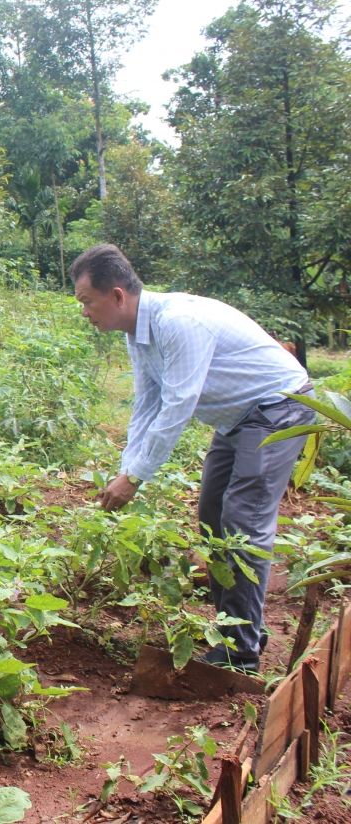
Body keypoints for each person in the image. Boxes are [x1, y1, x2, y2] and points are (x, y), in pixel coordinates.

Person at [71, 244, 315, 673]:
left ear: (117, 296)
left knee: (243, 522)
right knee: (211, 516)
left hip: (279, 408)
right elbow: (147, 404)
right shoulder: (138, 334)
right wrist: (127, 469)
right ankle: (235, 631)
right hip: (237, 419)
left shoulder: (178, 322)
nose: (85, 312)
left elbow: (179, 404)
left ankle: (240, 652)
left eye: (87, 302)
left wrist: (137, 478)